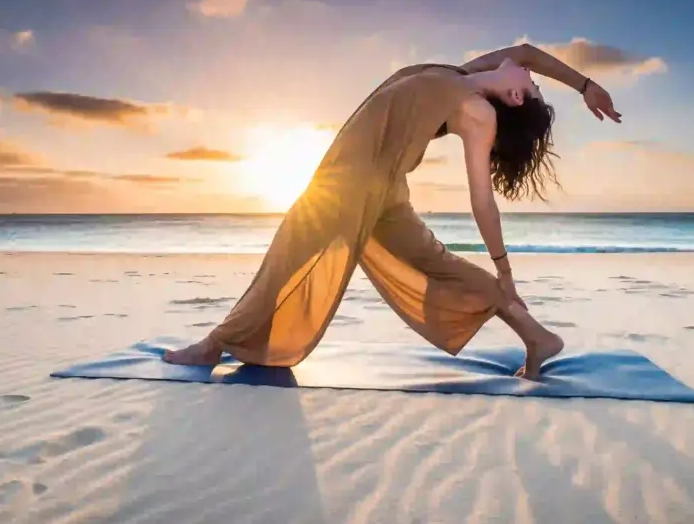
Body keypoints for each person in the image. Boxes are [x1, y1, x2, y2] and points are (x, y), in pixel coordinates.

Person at [164, 42, 621, 379]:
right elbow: (526, 53)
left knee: (288, 256)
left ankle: (214, 345)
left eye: (533, 87)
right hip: (380, 186)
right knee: (433, 263)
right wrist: (585, 85)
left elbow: (481, 199)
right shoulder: (465, 75)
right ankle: (537, 336)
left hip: (353, 184)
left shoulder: (477, 112)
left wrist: (504, 268)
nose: (532, 75)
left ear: (516, 98)